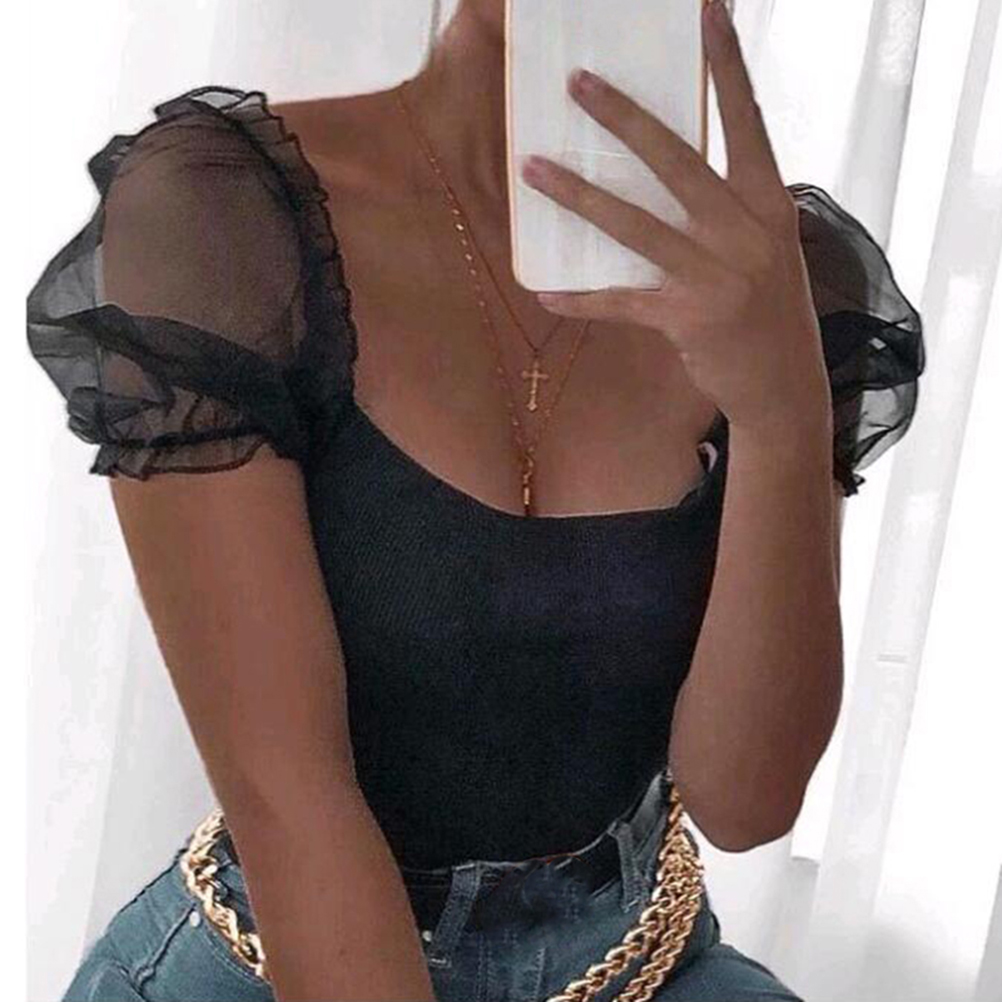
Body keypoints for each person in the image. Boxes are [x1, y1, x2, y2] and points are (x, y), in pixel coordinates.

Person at [27, 0, 925, 999]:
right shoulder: (224, 211)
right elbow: (291, 802)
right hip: (280, 962)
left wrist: (782, 413)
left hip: (638, 964)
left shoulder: (782, 278)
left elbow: (745, 800)